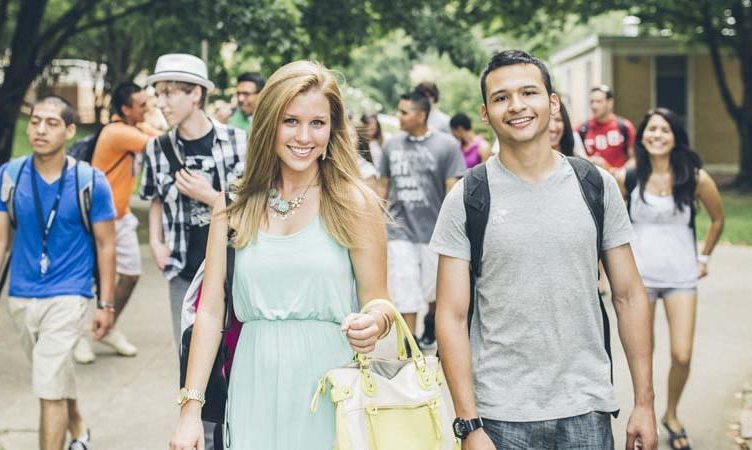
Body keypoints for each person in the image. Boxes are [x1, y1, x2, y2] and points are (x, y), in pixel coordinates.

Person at [431, 50, 658, 450]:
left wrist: (645, 402)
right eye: (501, 98)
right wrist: (468, 424)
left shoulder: (596, 185)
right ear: (485, 112)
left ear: (552, 103)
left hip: (587, 407)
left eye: (528, 93)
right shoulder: (468, 196)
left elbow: (628, 295)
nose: (516, 106)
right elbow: (450, 315)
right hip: (500, 416)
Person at [169, 60, 392, 450]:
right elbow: (209, 311)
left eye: (317, 123)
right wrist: (190, 410)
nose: (304, 136)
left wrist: (375, 321)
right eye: (290, 121)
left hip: (328, 389)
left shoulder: (354, 202)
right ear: (269, 122)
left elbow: (380, 301)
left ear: (332, 129)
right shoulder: (233, 205)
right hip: (250, 384)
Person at [0, 96, 116, 450]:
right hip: (22, 295)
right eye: (35, 121)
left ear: (69, 130)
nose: (40, 129)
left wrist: (106, 304)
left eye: (52, 123)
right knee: (50, 375)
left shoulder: (90, 182)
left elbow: (106, 244)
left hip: (71, 294)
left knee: (48, 385)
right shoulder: (9, 176)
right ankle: (79, 427)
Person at [141, 54, 247, 450]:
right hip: (184, 272)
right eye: (160, 93)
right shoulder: (157, 148)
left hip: (234, 270)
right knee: (192, 358)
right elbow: (153, 199)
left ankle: (236, 430)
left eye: (171, 93)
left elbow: (255, 201)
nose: (163, 102)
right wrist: (155, 241)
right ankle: (199, 434)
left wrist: (210, 196)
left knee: (235, 355)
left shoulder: (237, 142)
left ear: (197, 94)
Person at [615, 107, 724, 450]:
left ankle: (671, 413)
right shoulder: (627, 176)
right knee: (642, 354)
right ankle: (642, 412)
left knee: (681, 355)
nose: (656, 135)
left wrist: (703, 257)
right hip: (639, 280)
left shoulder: (694, 177)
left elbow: (718, 219)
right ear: (642, 136)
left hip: (681, 277)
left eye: (664, 129)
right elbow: (612, 228)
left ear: (675, 135)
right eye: (650, 130)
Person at [72, 82, 155, 364]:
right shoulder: (118, 133)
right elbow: (164, 144)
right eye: (142, 104)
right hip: (96, 220)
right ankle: (81, 336)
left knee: (130, 275)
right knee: (93, 280)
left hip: (122, 218)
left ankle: (105, 327)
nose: (148, 108)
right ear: (125, 109)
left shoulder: (133, 130)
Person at [378, 90, 465, 340]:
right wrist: (377, 220)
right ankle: (408, 345)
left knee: (433, 290)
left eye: (404, 112)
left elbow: (453, 190)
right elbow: (383, 185)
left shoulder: (446, 145)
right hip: (399, 230)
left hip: (433, 232)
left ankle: (430, 321)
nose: (399, 116)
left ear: (421, 115)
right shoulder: (391, 144)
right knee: (405, 289)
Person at [578, 84, 637, 170]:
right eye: (592, 102)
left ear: (610, 103)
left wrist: (620, 172)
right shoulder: (582, 128)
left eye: (598, 101)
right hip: (591, 180)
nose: (594, 106)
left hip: (617, 180)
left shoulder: (625, 126)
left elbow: (634, 158)